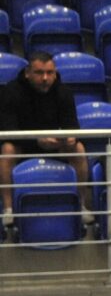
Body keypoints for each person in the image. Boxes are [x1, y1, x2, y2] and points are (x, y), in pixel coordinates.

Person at [0, 51, 93, 227]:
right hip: (23, 145)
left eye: (50, 73)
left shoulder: (63, 92)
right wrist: (37, 141)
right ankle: (8, 208)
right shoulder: (11, 91)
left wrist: (70, 137)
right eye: (39, 72)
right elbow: (7, 130)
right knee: (7, 149)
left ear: (55, 73)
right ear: (27, 73)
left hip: (54, 145)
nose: (45, 78)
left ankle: (81, 206)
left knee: (78, 148)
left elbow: (72, 125)